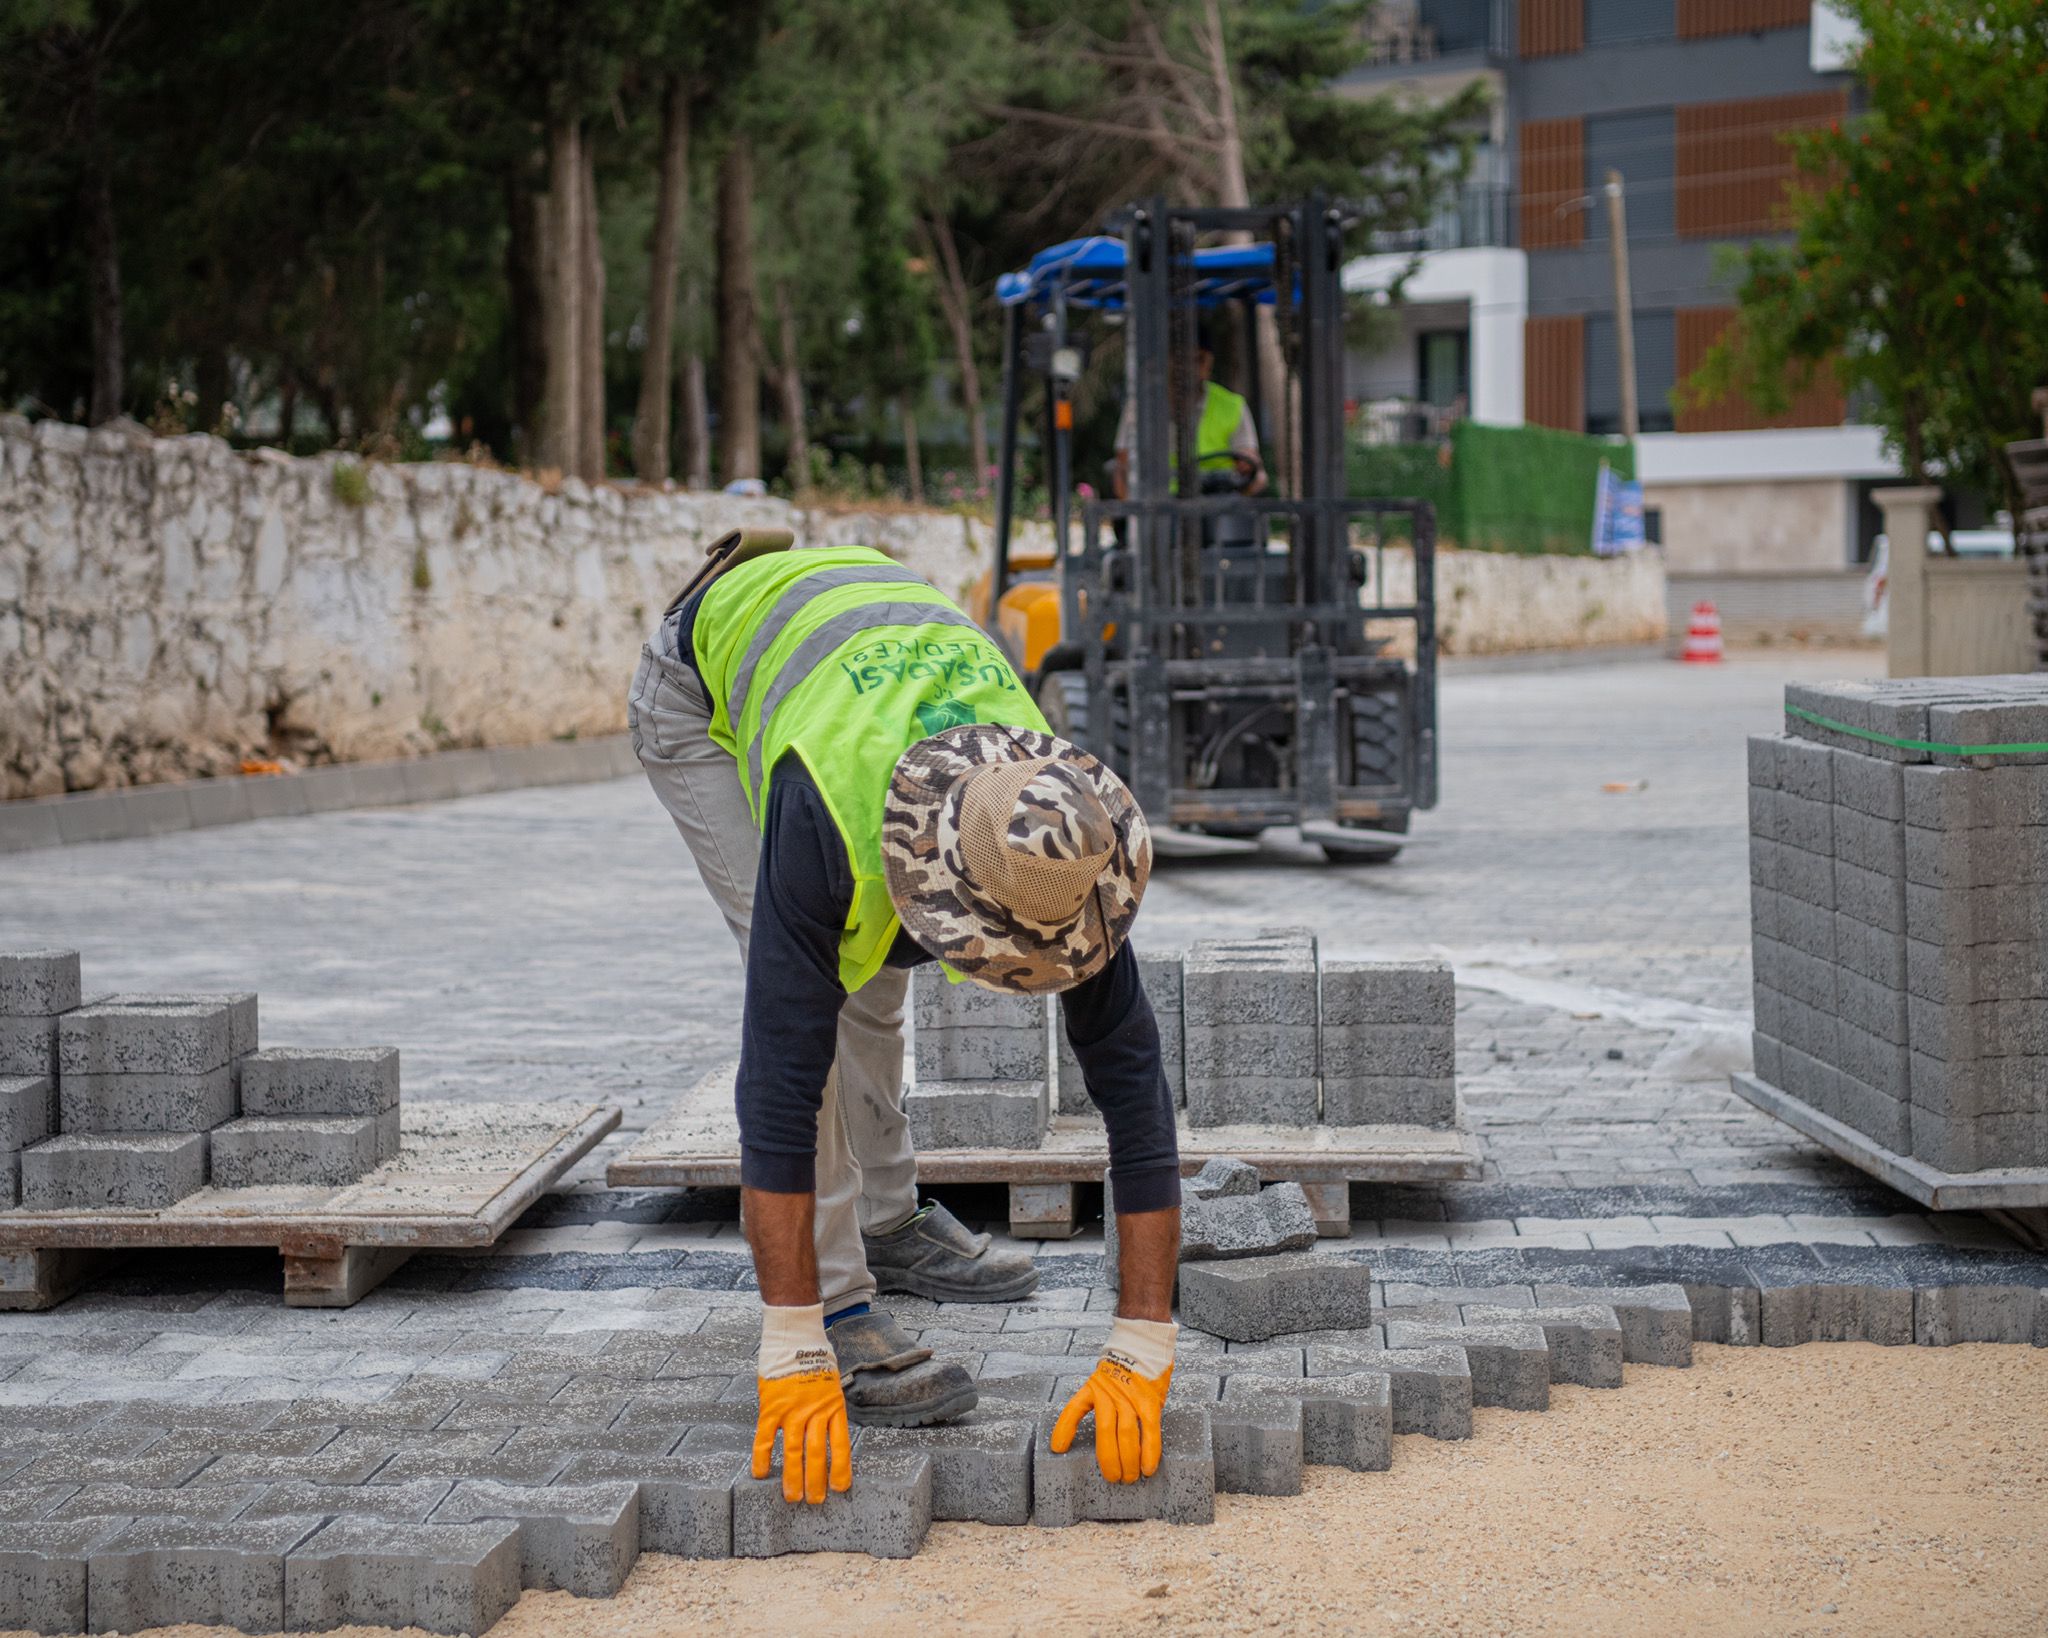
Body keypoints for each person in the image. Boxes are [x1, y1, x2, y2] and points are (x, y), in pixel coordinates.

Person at [626, 528, 1184, 1505]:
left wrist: (1143, 1340)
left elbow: (1131, 1080)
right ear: (938, 875)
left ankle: (887, 1221)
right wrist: (790, 1336)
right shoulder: (828, 826)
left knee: (871, 981)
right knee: (820, 1005)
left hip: (858, 662)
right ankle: (841, 1306)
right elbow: (777, 1085)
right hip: (696, 692)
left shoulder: (1047, 829)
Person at [1112, 317, 1268, 499]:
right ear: (1168, 360)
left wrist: (1248, 465)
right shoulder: (1141, 406)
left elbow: (1254, 469)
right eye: (1182, 360)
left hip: (1217, 506)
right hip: (1159, 504)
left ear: (1210, 362)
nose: (1191, 368)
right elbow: (1123, 466)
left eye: (1200, 359)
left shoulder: (1232, 405)